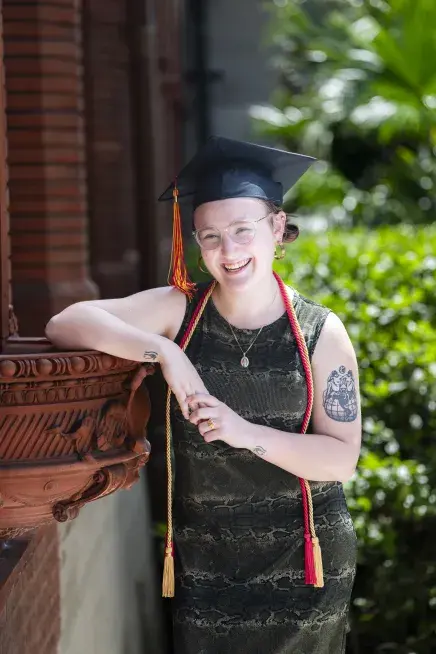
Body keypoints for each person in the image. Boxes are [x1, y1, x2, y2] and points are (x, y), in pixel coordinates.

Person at [46, 136, 361, 654]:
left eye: (243, 230)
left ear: (277, 228)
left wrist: (243, 432)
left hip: (304, 564)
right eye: (210, 236)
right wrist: (164, 353)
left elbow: (341, 458)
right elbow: (66, 323)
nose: (228, 251)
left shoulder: (320, 333)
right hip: (205, 565)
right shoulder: (180, 312)